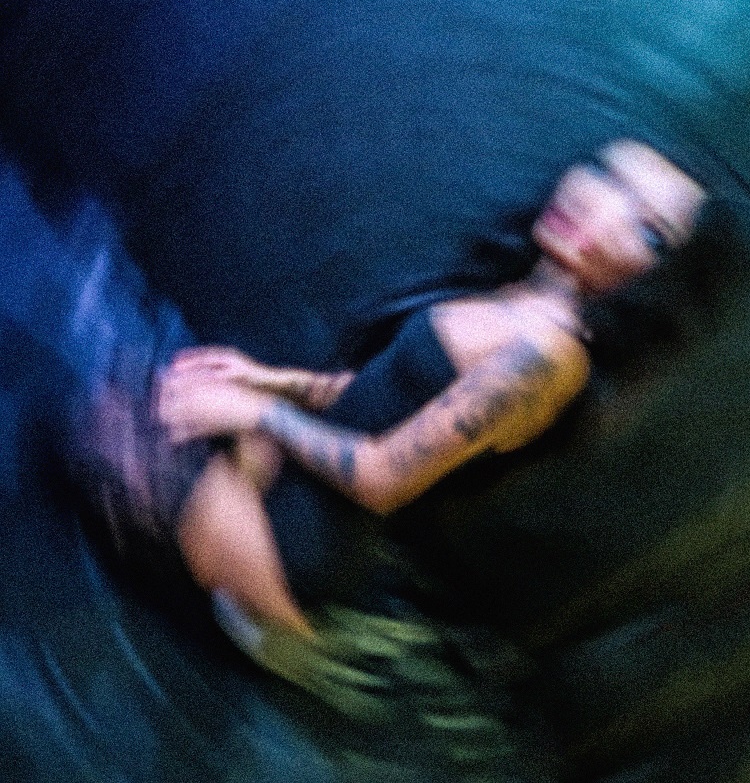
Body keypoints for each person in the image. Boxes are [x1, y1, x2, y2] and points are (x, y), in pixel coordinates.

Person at [155, 138, 719, 653]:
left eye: (648, 230)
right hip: (272, 491)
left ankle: (269, 625)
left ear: (658, 280)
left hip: (289, 545)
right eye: (603, 172)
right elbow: (378, 399)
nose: (597, 203)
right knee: (153, 378)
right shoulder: (511, 293)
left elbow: (382, 477)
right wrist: (269, 380)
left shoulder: (548, 358)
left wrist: (258, 412)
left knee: (131, 395)